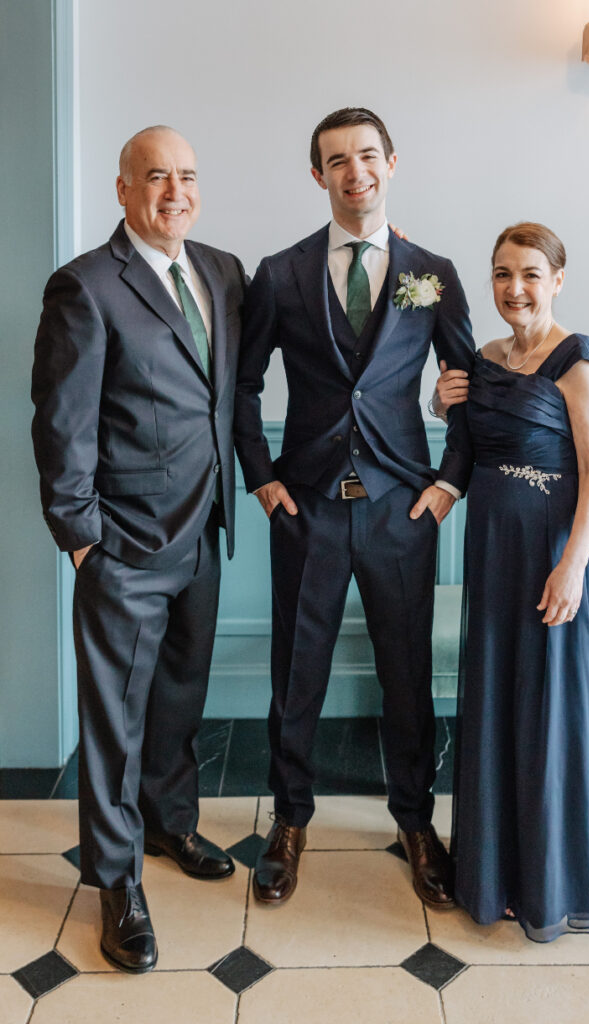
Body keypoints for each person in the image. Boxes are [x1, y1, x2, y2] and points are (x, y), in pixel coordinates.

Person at [234, 107, 475, 908]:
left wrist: (447, 483)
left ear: (390, 164)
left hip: (402, 508)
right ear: (318, 175)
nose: (354, 172)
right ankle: (289, 821)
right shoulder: (280, 272)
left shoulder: (431, 271)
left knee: (406, 675)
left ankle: (415, 823)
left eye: (367, 156)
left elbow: (465, 384)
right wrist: (262, 479)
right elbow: (242, 385)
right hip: (305, 505)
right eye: (336, 160)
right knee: (295, 673)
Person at [31, 126, 246, 973]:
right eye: (155, 176)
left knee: (178, 699)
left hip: (203, 536)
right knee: (115, 723)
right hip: (123, 546)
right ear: (123, 189)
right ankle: (116, 883)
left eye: (186, 176)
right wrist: (83, 543)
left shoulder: (222, 272)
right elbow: (62, 424)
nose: (174, 192)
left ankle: (169, 823)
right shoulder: (85, 286)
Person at [434, 222, 589, 942]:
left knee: (544, 708)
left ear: (556, 280)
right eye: (503, 274)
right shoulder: (483, 359)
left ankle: (545, 880)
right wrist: (442, 404)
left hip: (547, 559)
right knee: (494, 703)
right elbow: (470, 445)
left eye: (531, 274)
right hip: (492, 557)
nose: (515, 288)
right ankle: (493, 872)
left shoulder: (577, 361)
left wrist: (571, 566)